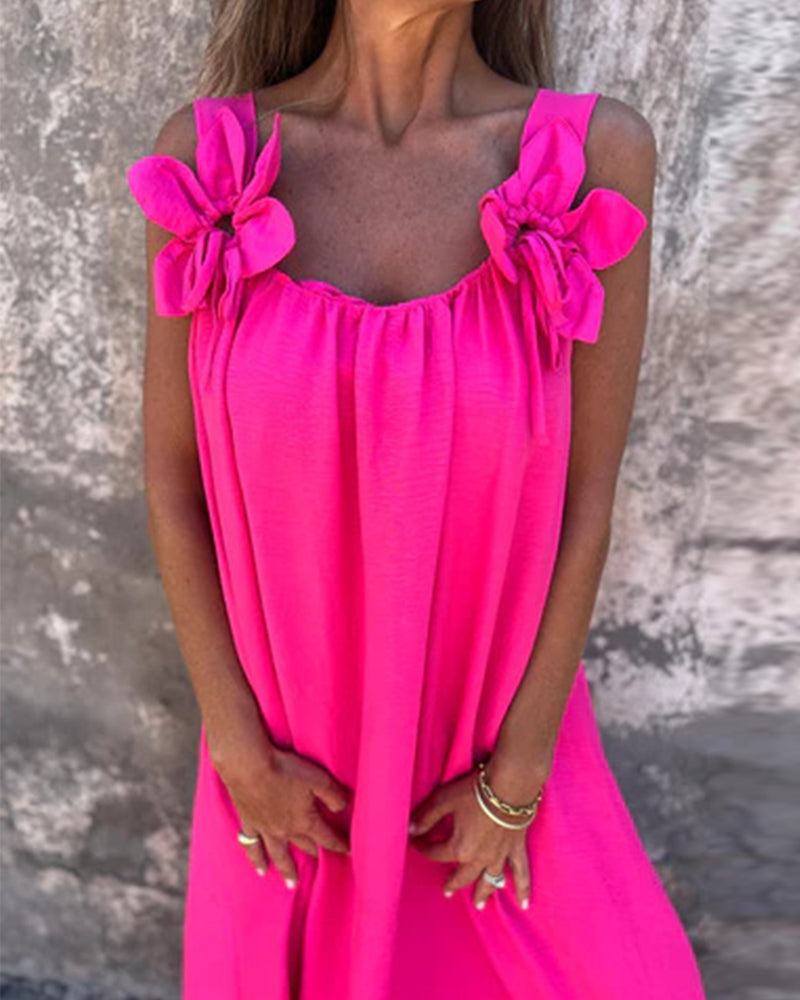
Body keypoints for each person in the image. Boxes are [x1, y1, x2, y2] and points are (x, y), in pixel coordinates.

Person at [126, 0, 707, 997]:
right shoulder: (211, 161)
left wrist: (518, 776)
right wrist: (237, 749)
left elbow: (586, 495)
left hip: (490, 784)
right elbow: (171, 479)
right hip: (289, 793)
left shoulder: (588, 161)